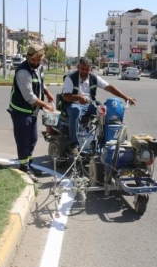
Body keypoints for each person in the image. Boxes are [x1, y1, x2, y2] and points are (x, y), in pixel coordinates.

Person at [62, 58, 136, 156]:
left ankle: (105, 142)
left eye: (87, 70)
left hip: (90, 104)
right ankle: (73, 145)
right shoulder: (70, 77)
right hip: (73, 105)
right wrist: (78, 97)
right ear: (78, 67)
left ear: (90, 69)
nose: (84, 72)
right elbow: (65, 96)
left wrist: (126, 97)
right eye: (82, 69)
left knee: (106, 111)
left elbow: (109, 87)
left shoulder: (93, 77)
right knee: (75, 112)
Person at [8, 43, 55, 182]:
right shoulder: (23, 71)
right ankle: (24, 167)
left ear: (42, 58)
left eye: (38, 60)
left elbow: (40, 81)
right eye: (32, 60)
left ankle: (28, 164)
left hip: (32, 111)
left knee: (32, 139)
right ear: (28, 57)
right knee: (24, 140)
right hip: (21, 111)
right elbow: (29, 97)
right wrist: (46, 105)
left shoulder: (39, 67)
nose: (35, 63)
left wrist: (47, 92)